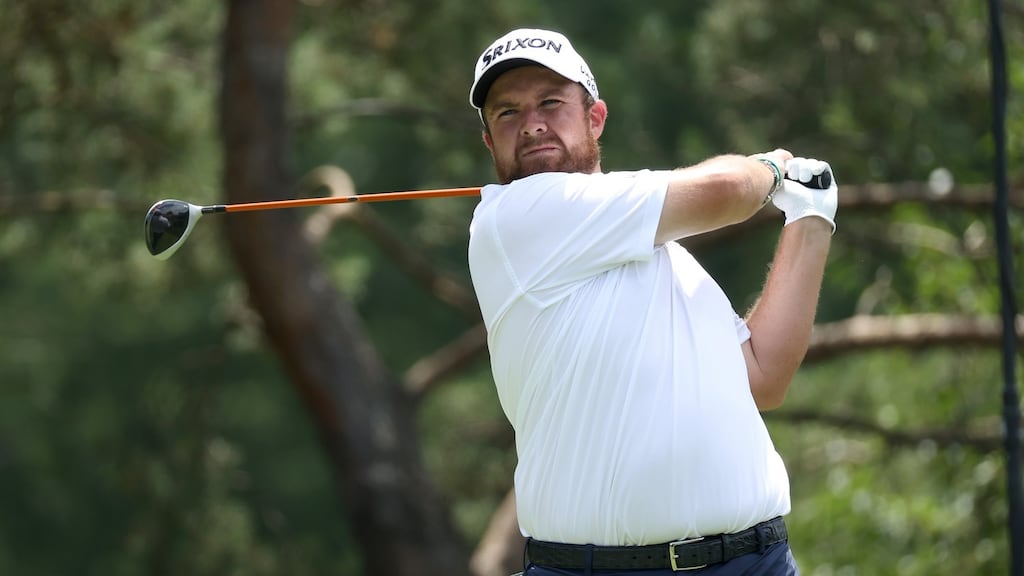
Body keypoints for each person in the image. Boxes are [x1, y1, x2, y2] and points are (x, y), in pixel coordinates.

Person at [466, 27, 837, 576]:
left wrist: (811, 217)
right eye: (508, 113)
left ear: (595, 118)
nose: (533, 124)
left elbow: (763, 375)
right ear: (489, 141)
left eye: (550, 103)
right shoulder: (513, 220)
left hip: (756, 561)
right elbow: (724, 192)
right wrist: (774, 170)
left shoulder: (663, 253)